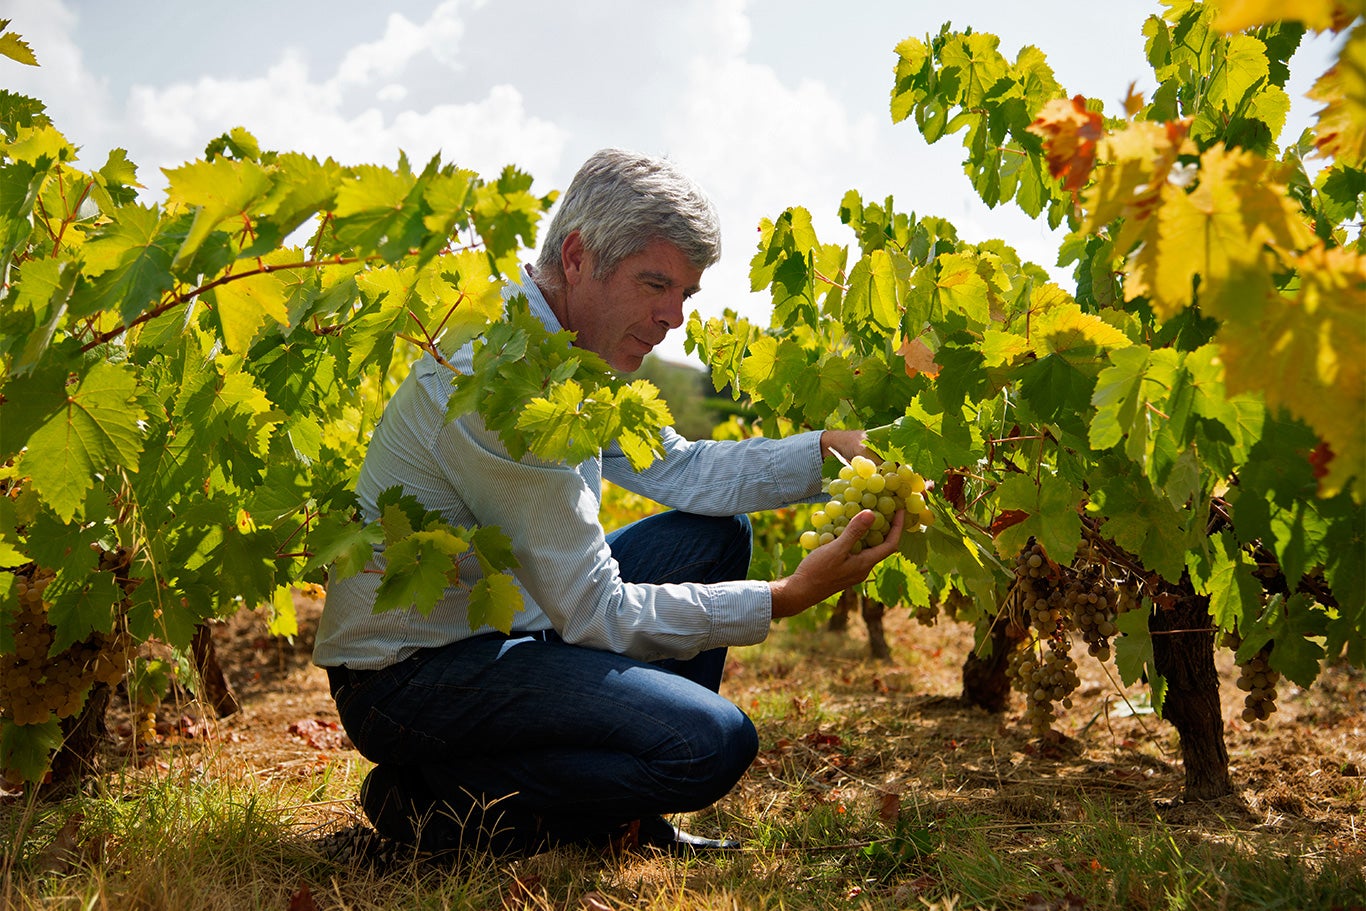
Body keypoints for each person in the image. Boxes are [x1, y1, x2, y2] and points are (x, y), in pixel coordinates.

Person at [312, 148, 905, 857]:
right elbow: (596, 610)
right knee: (709, 743)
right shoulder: (506, 385)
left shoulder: (571, 347)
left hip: (509, 622)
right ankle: (434, 803)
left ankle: (618, 817)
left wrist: (832, 450)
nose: (674, 317)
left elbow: (684, 469)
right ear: (575, 257)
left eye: (685, 292)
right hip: (411, 678)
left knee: (715, 536)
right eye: (655, 283)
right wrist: (783, 596)